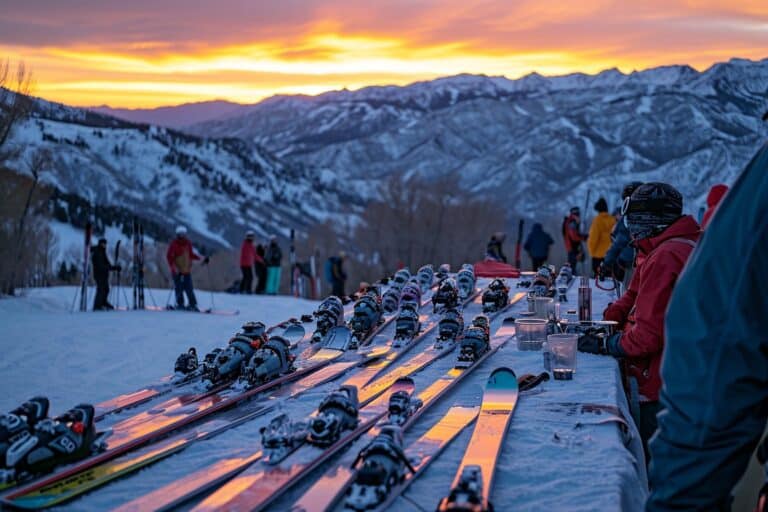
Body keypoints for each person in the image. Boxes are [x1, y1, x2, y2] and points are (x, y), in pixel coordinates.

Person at [647, 146, 766, 511]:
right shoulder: (664, 249)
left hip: (661, 386)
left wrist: (680, 498)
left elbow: (715, 337)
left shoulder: (667, 254)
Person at [576, 183, 701, 463]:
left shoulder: (666, 256)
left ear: (647, 221)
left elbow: (647, 337)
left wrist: (606, 344)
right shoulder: (669, 245)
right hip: (680, 375)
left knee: (651, 464)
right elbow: (635, 291)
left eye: (632, 220)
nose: (628, 228)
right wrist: (612, 316)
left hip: (663, 384)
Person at [602, 182, 643, 285]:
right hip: (642, 264)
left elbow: (620, 242)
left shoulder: (630, 218)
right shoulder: (646, 216)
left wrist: (608, 262)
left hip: (631, 266)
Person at [166, 226, 208, 310]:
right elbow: (169, 257)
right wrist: (174, 267)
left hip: (186, 270)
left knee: (189, 287)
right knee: (179, 288)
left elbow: (191, 255)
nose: (182, 236)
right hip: (177, 270)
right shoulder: (174, 244)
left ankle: (192, 304)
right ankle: (180, 304)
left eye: (183, 234)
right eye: (180, 234)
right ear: (177, 234)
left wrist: (201, 258)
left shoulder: (188, 243)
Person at [587, 197, 616, 277]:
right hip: (611, 254)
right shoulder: (612, 220)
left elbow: (593, 238)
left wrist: (592, 252)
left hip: (598, 255)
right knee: (609, 281)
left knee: (598, 280)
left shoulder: (597, 220)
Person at [91, 238, 120, 310]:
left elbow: (106, 262)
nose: (105, 245)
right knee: (101, 289)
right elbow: (101, 265)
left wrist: (114, 267)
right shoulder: (97, 252)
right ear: (100, 244)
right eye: (104, 244)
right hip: (99, 274)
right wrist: (112, 268)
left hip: (104, 274)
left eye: (105, 244)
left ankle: (103, 302)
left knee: (106, 289)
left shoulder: (102, 251)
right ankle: (97, 305)